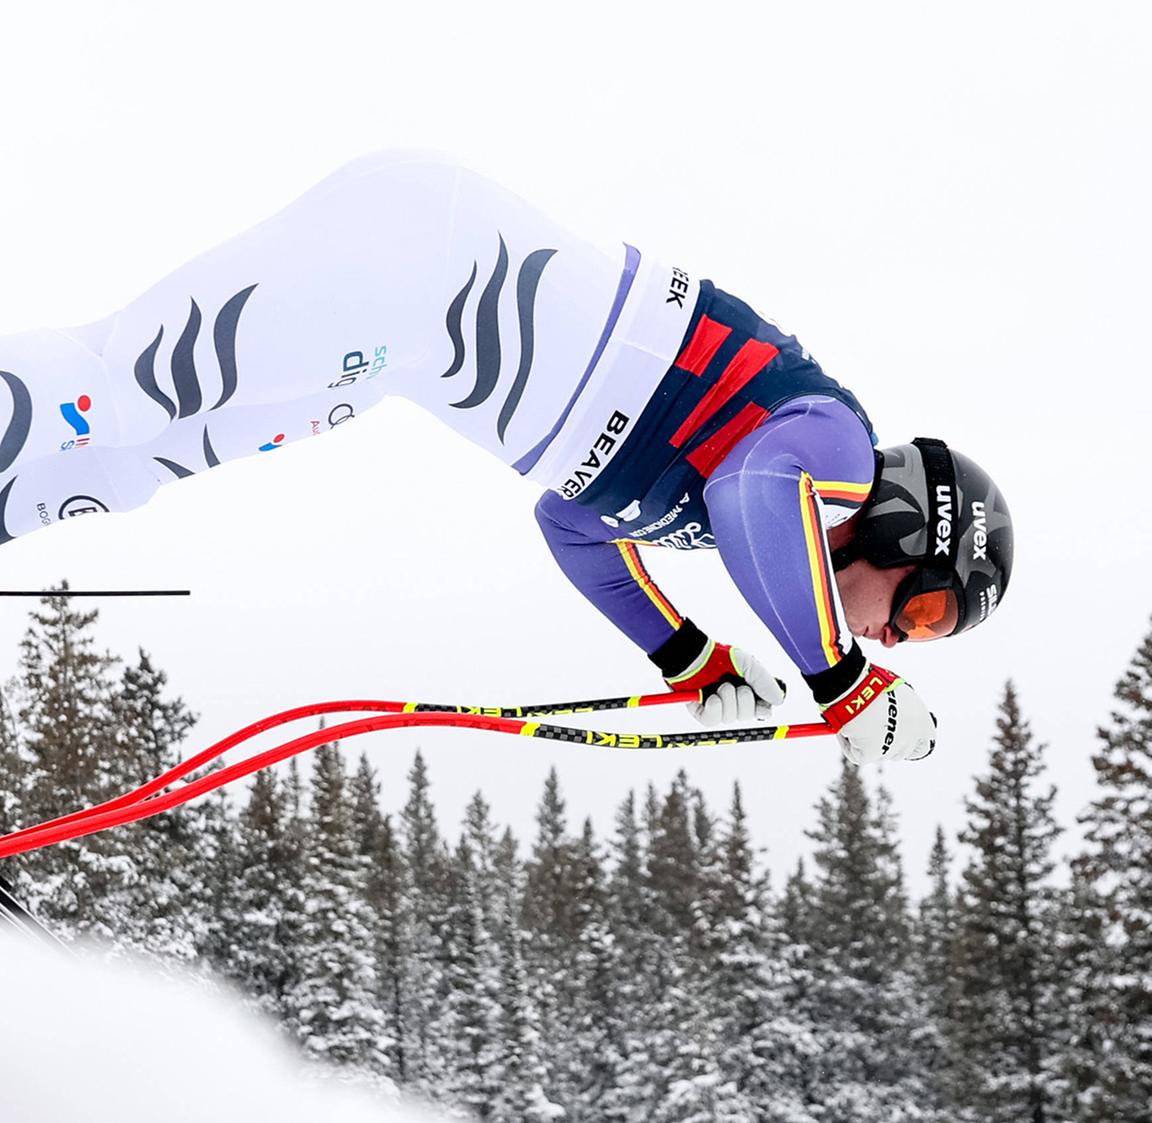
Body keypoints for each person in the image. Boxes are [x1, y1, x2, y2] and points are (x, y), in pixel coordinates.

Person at [0, 150, 1012, 765]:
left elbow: (572, 523)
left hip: (396, 349)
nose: (897, 641)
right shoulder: (829, 445)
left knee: (129, 464)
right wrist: (836, 678)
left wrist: (683, 653)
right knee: (117, 389)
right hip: (422, 259)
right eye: (923, 613)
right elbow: (760, 493)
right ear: (908, 526)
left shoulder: (723, 510)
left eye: (916, 642)